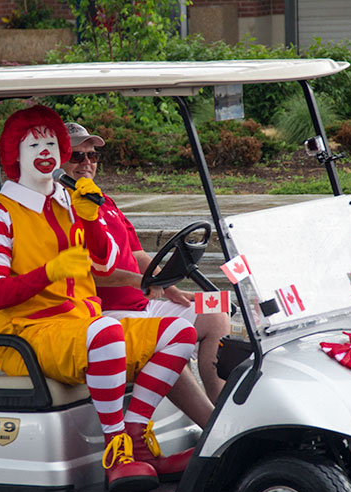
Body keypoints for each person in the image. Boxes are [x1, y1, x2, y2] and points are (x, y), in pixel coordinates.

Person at [0, 105, 197, 492]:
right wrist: (49, 272)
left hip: (81, 326)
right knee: (106, 330)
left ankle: (135, 436)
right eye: (33, 144)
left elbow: (106, 261)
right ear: (15, 155)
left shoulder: (67, 202)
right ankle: (116, 452)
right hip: (29, 334)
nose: (44, 151)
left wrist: (90, 218)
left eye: (50, 143)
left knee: (179, 329)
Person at [61, 122, 230, 407]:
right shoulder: (61, 208)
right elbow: (85, 273)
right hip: (106, 315)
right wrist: (140, 282)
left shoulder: (102, 200)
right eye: (76, 156)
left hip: (142, 302)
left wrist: (168, 285)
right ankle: (212, 427)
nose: (86, 163)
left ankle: (224, 406)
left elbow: (137, 254)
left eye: (92, 156)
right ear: (57, 162)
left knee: (217, 310)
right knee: (170, 336)